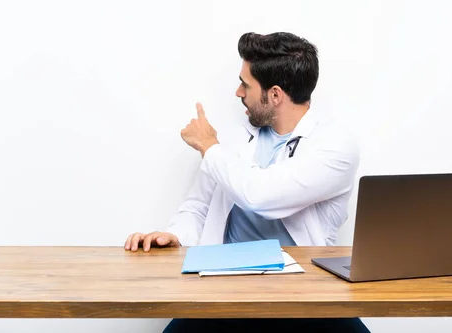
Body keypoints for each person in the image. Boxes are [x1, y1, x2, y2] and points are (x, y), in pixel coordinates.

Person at [124, 32, 368, 333]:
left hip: (305, 294)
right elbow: (198, 207)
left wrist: (208, 147)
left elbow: (261, 195)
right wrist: (175, 235)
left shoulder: (336, 146)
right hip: (225, 288)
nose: (239, 92)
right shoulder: (232, 136)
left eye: (246, 84)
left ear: (275, 94)